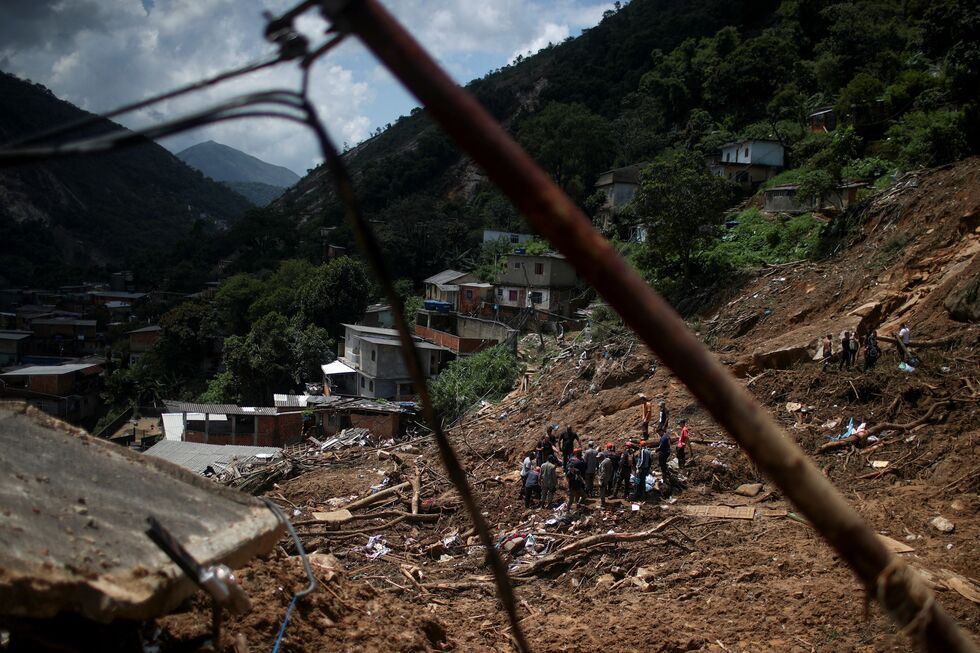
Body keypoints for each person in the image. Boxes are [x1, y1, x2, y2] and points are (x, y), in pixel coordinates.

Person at [657, 429, 672, 498]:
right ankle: (666, 474)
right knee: (664, 464)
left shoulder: (664, 437)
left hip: (663, 453)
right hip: (667, 452)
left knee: (662, 465)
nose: (659, 434)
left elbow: (661, 446)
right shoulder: (667, 436)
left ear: (661, 431)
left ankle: (664, 477)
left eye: (659, 432)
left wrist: (656, 450)